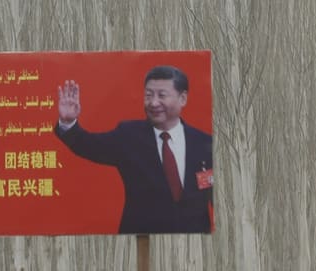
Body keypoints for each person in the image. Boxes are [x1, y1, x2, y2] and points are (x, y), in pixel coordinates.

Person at [54, 65, 214, 234]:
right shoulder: (128, 136)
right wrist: (68, 123)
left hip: (195, 243)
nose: (153, 103)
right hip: (141, 239)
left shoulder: (204, 143)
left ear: (183, 98)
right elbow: (88, 145)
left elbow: (216, 196)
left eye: (162, 95)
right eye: (148, 95)